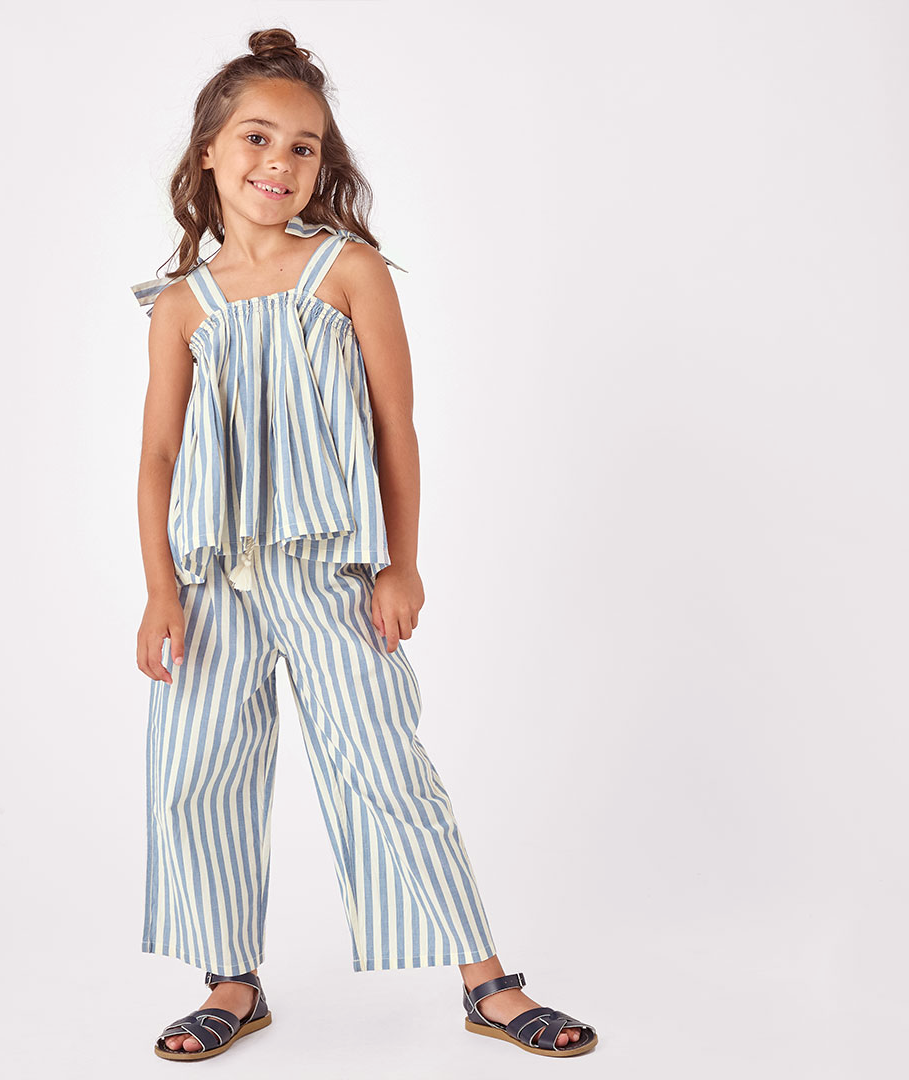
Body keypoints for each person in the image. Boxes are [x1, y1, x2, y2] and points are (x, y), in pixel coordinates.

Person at [130, 27, 598, 1062]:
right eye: (257, 138)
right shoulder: (182, 307)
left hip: (330, 570)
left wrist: (402, 563)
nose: (280, 163)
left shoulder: (348, 271)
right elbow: (159, 456)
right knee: (194, 773)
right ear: (209, 150)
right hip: (210, 583)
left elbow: (396, 427)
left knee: (385, 765)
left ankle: (486, 981)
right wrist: (160, 590)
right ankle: (231, 980)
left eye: (304, 147)